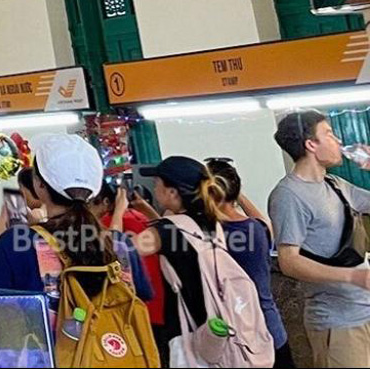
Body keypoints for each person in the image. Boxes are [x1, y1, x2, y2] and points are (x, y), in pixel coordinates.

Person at [0, 136, 146, 315]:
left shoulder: (15, 243)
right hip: (112, 333)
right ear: (95, 188)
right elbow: (141, 297)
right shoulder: (121, 243)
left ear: (39, 184)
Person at [270, 111, 370, 365]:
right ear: (311, 144)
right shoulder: (288, 195)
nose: (338, 141)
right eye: (329, 134)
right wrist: (353, 276)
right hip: (338, 324)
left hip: (364, 311)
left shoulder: (335, 184)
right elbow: (289, 261)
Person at [129, 155, 227, 361]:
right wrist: (149, 212)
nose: (154, 188)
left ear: (172, 192)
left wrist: (119, 210)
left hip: (187, 330)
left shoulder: (168, 230)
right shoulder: (212, 222)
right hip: (216, 322)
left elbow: (123, 250)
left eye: (157, 183)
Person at [209, 157, 289, 366]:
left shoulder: (216, 235)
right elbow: (264, 223)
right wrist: (237, 193)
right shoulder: (256, 229)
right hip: (271, 328)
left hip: (241, 335)